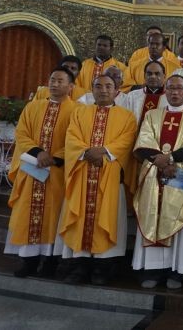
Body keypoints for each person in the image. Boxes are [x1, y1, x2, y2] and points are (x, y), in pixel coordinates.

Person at [56, 75, 138, 285]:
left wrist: (104, 152)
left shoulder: (127, 116)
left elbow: (126, 141)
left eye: (108, 86)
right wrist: (86, 153)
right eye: (98, 86)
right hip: (83, 174)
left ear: (117, 90)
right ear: (91, 89)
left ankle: (103, 269)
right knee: (80, 218)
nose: (103, 90)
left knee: (107, 219)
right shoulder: (80, 112)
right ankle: (78, 268)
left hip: (109, 177)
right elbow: (72, 138)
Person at [131, 75, 183, 289]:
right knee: (151, 217)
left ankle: (178, 271)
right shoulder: (152, 115)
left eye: (179, 89)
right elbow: (143, 143)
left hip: (181, 175)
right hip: (153, 174)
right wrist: (162, 162)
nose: (175, 92)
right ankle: (152, 270)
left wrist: (170, 159)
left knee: (180, 221)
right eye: (171, 88)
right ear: (165, 91)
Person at [5, 68, 78, 278]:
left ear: (71, 86)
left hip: (57, 173)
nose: (54, 84)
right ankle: (28, 262)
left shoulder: (77, 111)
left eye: (60, 81)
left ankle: (50, 263)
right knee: (27, 214)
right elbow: (22, 133)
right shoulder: (33, 106)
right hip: (31, 171)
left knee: (54, 217)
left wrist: (54, 158)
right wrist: (38, 153)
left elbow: (75, 141)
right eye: (52, 80)